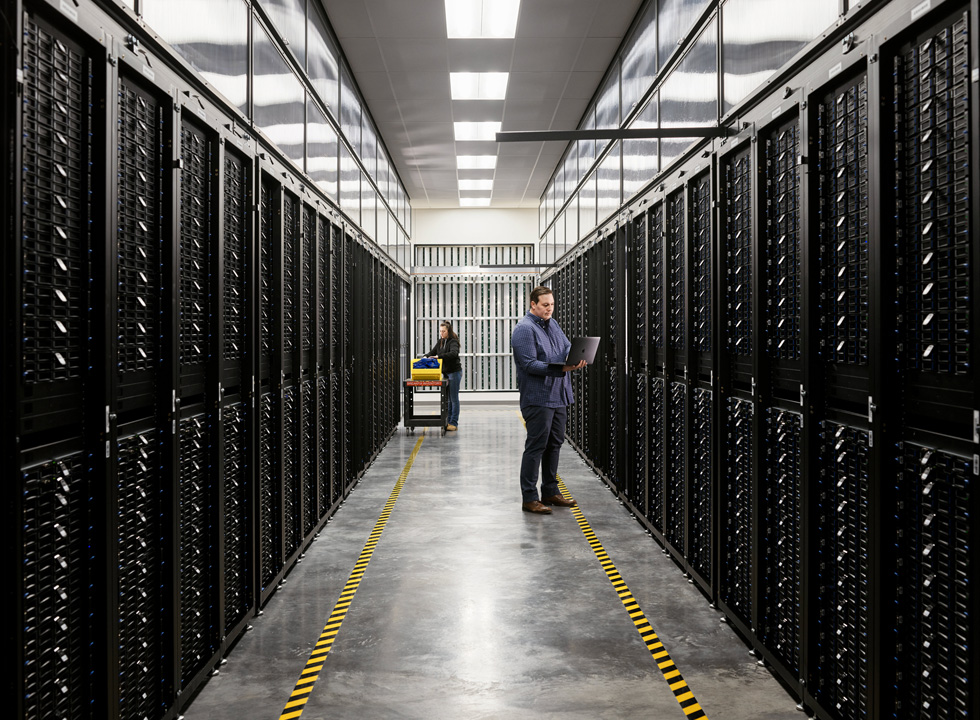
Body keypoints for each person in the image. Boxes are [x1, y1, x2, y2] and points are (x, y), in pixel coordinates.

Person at [511, 286, 587, 514]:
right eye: (545, 305)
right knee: (536, 446)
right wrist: (563, 367)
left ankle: (551, 491)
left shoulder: (552, 324)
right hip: (538, 397)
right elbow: (529, 364)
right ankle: (529, 498)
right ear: (533, 304)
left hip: (558, 395)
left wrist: (577, 356)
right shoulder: (524, 329)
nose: (549, 309)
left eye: (551, 304)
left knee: (554, 444)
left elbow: (565, 347)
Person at [424, 321, 462, 431]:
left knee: (454, 399)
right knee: (449, 400)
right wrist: (426, 356)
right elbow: (432, 352)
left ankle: (453, 423)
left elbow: (453, 353)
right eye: (440, 331)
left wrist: (438, 357)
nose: (441, 333)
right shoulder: (440, 342)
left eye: (443, 331)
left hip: (454, 373)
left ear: (448, 331)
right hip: (446, 373)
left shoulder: (453, 341)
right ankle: (448, 421)